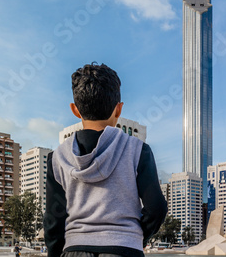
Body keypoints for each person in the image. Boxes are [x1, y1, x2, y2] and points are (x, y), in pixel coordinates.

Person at [44, 63, 168, 257]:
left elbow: (53, 221)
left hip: (75, 248)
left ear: (75, 110)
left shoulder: (57, 158)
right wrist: (133, 237)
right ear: (118, 110)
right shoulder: (138, 150)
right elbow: (157, 208)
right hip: (125, 249)